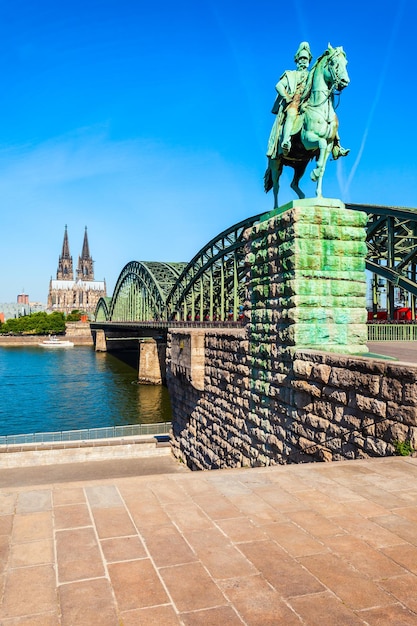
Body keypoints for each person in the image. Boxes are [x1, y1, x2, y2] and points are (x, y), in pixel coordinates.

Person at [267, 42, 349, 159]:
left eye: (305, 58)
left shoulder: (312, 74)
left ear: (309, 60)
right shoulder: (290, 74)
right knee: (291, 112)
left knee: (330, 116)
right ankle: (286, 141)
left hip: (307, 102)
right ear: (297, 60)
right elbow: (279, 85)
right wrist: (286, 97)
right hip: (294, 101)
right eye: (301, 58)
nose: (303, 61)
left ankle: (336, 145)